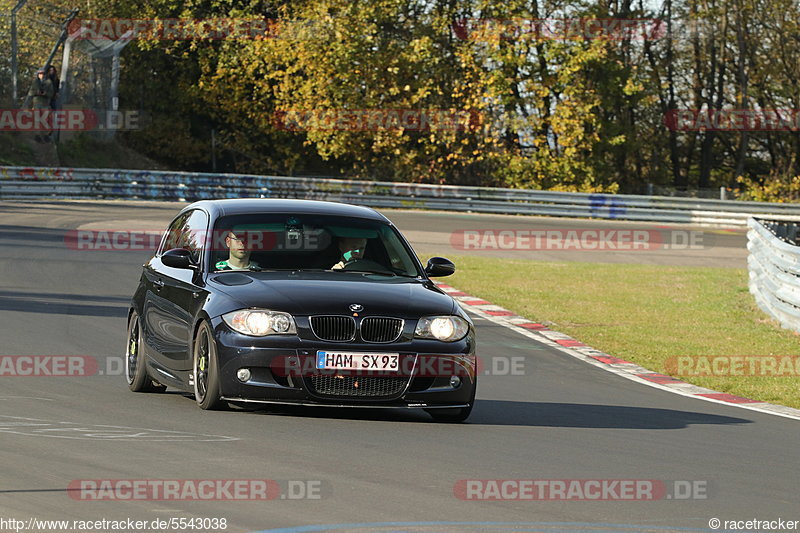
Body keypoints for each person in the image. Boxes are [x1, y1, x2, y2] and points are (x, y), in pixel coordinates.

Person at [27, 68, 54, 143]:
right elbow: (30, 92)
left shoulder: (49, 82)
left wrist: (46, 93)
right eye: (40, 74)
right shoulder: (35, 82)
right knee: (36, 119)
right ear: (38, 74)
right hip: (36, 102)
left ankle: (46, 135)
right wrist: (36, 92)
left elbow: (51, 93)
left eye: (42, 74)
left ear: (45, 74)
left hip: (45, 103)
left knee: (44, 119)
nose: (41, 75)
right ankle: (37, 135)